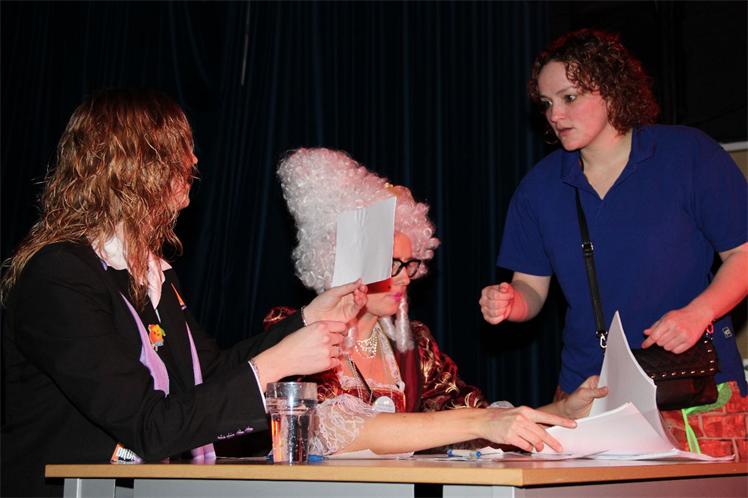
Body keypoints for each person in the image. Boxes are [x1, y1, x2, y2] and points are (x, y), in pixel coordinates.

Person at [0, 89, 366, 498]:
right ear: (133, 164)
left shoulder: (154, 274)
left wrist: (309, 319)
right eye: (179, 147)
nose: (193, 160)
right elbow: (149, 426)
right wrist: (277, 363)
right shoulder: (59, 276)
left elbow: (209, 375)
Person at [479, 29, 748, 458]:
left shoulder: (688, 155)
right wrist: (511, 302)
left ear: (611, 90)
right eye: (546, 103)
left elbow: (742, 255)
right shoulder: (539, 189)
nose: (555, 115)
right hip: (589, 394)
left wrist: (699, 313)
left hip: (697, 389)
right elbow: (530, 286)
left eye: (569, 98)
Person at [266, 147, 607, 456]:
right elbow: (335, 428)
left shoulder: (414, 347)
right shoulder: (295, 332)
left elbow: (477, 421)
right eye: (391, 264)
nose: (405, 278)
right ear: (343, 262)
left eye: (409, 264)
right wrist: (480, 422)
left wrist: (562, 412)